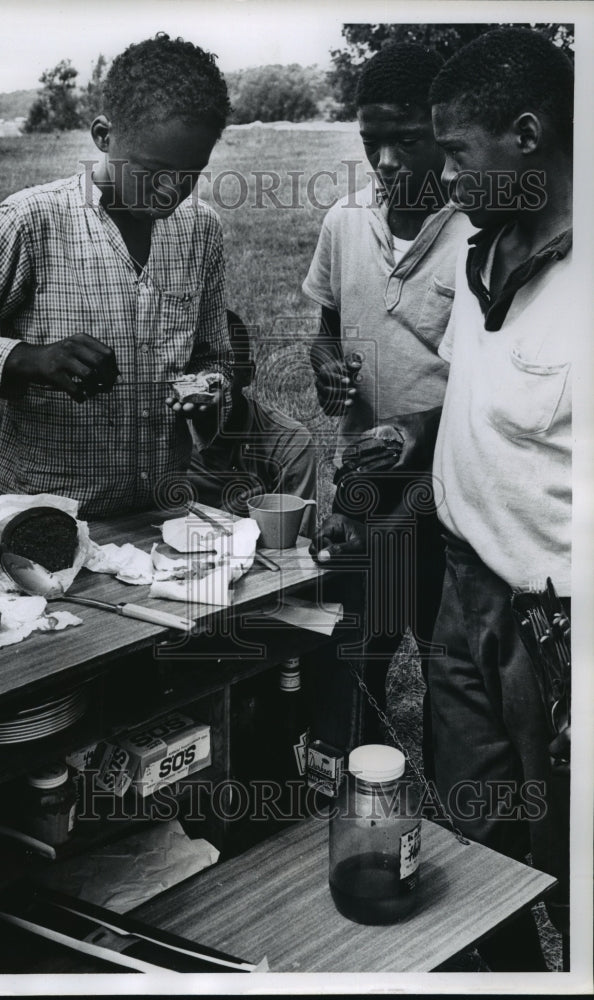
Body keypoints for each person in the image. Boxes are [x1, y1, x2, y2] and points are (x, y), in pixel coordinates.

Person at [424, 27, 573, 971]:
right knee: (473, 840)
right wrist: (406, 436)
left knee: (570, 845)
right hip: (463, 593)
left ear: (525, 133)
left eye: (454, 149)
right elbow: (469, 397)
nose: (442, 175)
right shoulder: (478, 250)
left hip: (557, 628)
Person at [0, 33, 233, 518]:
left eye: (191, 174)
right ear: (103, 136)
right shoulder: (31, 222)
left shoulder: (202, 230)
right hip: (47, 519)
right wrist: (29, 360)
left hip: (159, 515)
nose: (170, 191)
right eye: (154, 170)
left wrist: (208, 389)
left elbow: (214, 357)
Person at [303, 43, 473, 757]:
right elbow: (327, 328)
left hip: (450, 491)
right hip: (364, 484)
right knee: (355, 644)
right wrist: (325, 364)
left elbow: (489, 385)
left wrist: (419, 428)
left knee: (447, 664)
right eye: (373, 142)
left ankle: (448, 812)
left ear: (443, 130)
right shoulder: (346, 220)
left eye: (407, 140)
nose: (389, 162)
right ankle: (352, 777)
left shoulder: (477, 234)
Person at [186, 309, 317, 536]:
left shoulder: (289, 443)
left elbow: (294, 547)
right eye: (195, 369)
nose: (207, 383)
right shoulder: (164, 439)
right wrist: (233, 518)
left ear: (248, 374)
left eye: (224, 370)